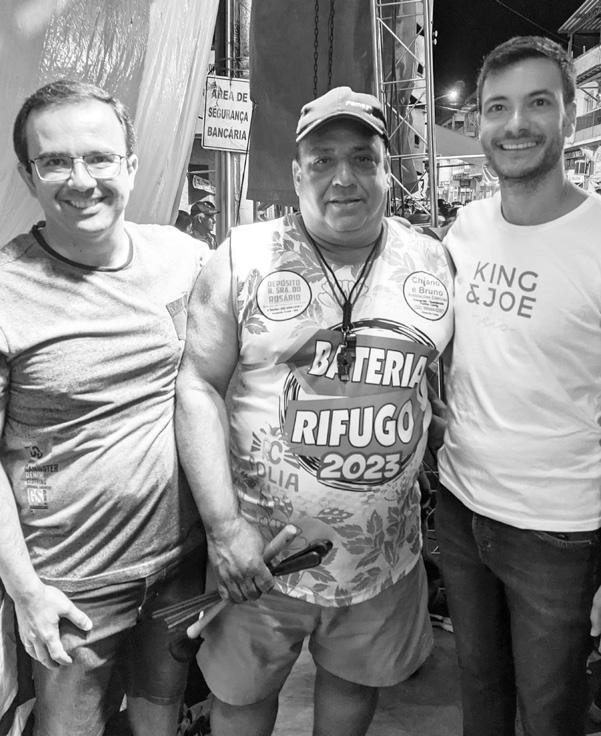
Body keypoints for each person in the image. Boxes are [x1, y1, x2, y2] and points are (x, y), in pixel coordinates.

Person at [175, 86, 454, 736]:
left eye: (362, 158)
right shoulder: (241, 258)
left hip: (383, 556)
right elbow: (197, 386)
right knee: (241, 700)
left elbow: (434, 384)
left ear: (389, 168)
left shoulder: (433, 259)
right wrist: (224, 529)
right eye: (323, 160)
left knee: (353, 689)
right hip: (261, 556)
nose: (343, 178)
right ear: (297, 173)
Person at [0, 79, 210, 736]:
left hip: (180, 562)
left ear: (131, 165)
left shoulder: (182, 259)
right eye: (54, 161)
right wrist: (26, 591)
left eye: (98, 157)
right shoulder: (6, 291)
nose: (81, 180)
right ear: (27, 175)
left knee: (162, 712)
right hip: (70, 584)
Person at [435, 36, 601, 736]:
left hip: (557, 529)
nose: (515, 124)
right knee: (478, 687)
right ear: (478, 122)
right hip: (459, 504)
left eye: (537, 102)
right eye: (497, 107)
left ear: (571, 113)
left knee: (550, 710)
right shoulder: (465, 228)